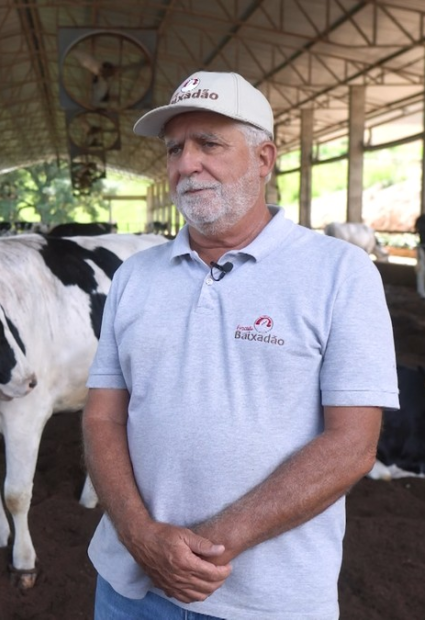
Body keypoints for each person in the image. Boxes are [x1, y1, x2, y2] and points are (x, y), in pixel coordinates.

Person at [82, 70, 399, 619]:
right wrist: (139, 536)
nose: (186, 164)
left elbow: (352, 445)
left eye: (209, 144)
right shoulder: (135, 276)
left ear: (264, 158)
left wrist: (208, 547)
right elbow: (102, 419)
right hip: (127, 586)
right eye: (175, 148)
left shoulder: (339, 272)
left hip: (267, 601)